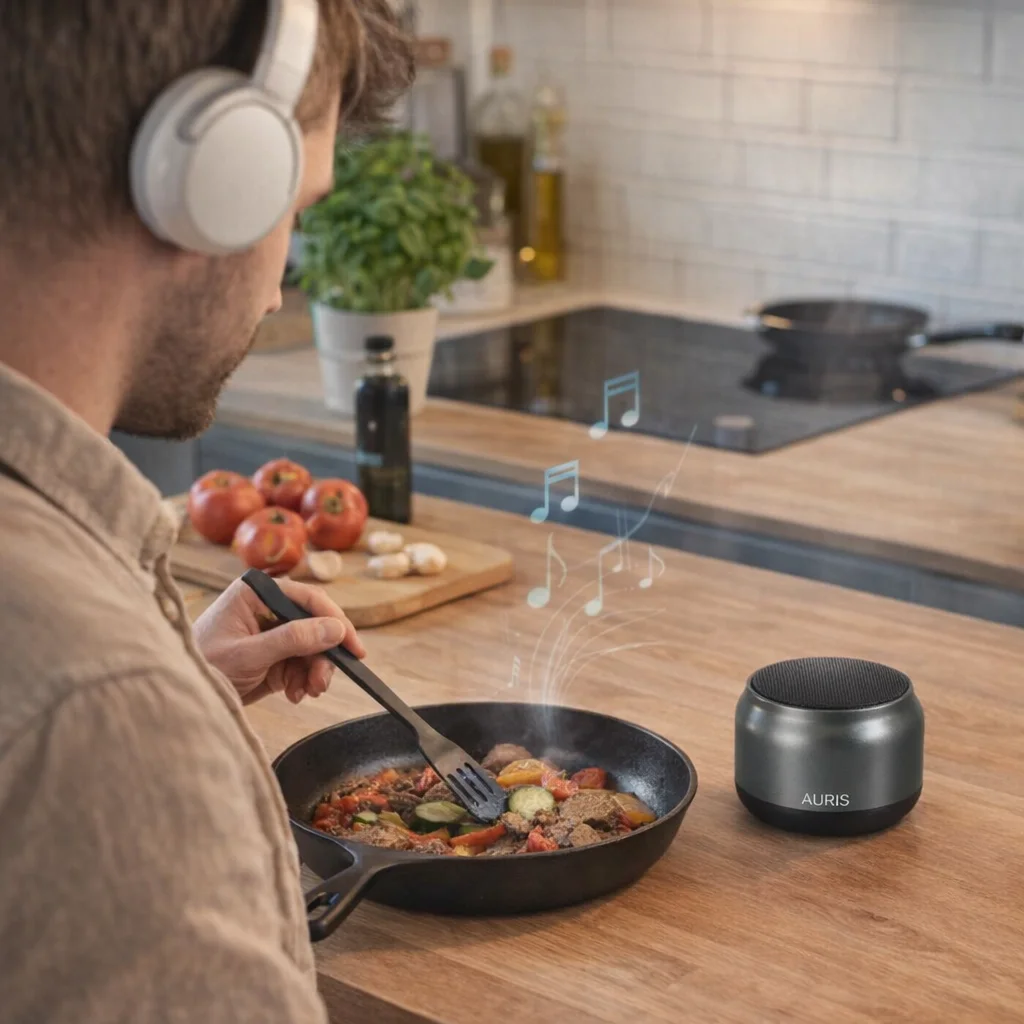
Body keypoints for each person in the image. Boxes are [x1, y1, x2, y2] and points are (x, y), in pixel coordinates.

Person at [0, 2, 413, 1021]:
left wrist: (175, 688)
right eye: (295, 209)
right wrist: (143, 724)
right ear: (205, 184)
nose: (282, 287)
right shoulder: (96, 718)